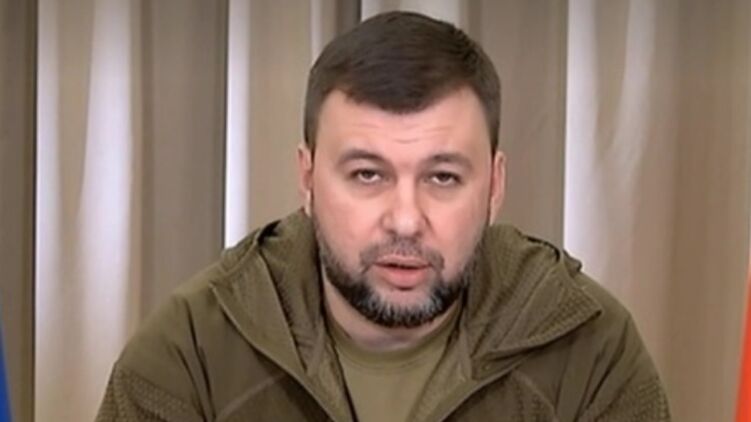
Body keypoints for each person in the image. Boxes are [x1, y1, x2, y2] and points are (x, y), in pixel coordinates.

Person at [96, 11, 670, 422]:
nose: (405, 220)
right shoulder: (191, 351)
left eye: (442, 177)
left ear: (495, 186)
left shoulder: (591, 349)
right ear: (307, 179)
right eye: (368, 175)